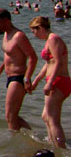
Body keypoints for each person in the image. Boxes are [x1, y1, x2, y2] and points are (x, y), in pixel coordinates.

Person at [28, 16, 70, 148]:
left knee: (52, 119)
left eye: (34, 31)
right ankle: (52, 144)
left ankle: (60, 150)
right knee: (46, 116)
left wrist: (50, 83)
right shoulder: (49, 40)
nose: (34, 35)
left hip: (59, 81)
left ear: (40, 28)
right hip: (55, 80)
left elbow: (58, 62)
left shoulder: (53, 39)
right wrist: (36, 80)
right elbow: (48, 64)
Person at [0, 8, 38, 131]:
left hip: (19, 77)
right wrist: (0, 69)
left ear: (6, 20)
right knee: (12, 116)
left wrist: (27, 78)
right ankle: (32, 138)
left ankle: (18, 139)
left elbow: (33, 57)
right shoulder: (6, 34)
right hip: (10, 77)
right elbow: (10, 54)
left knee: (10, 116)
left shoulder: (19, 36)